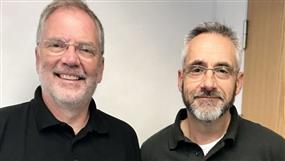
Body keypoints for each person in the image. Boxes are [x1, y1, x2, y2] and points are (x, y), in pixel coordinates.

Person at [0, 0, 141, 161]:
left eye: (85, 49)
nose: (71, 59)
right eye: (57, 45)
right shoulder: (2, 129)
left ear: (100, 68)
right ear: (38, 58)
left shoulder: (124, 139)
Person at [141, 22, 285, 161]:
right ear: (181, 80)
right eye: (197, 69)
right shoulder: (151, 152)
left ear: (238, 82)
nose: (209, 84)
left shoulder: (274, 151)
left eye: (222, 70)